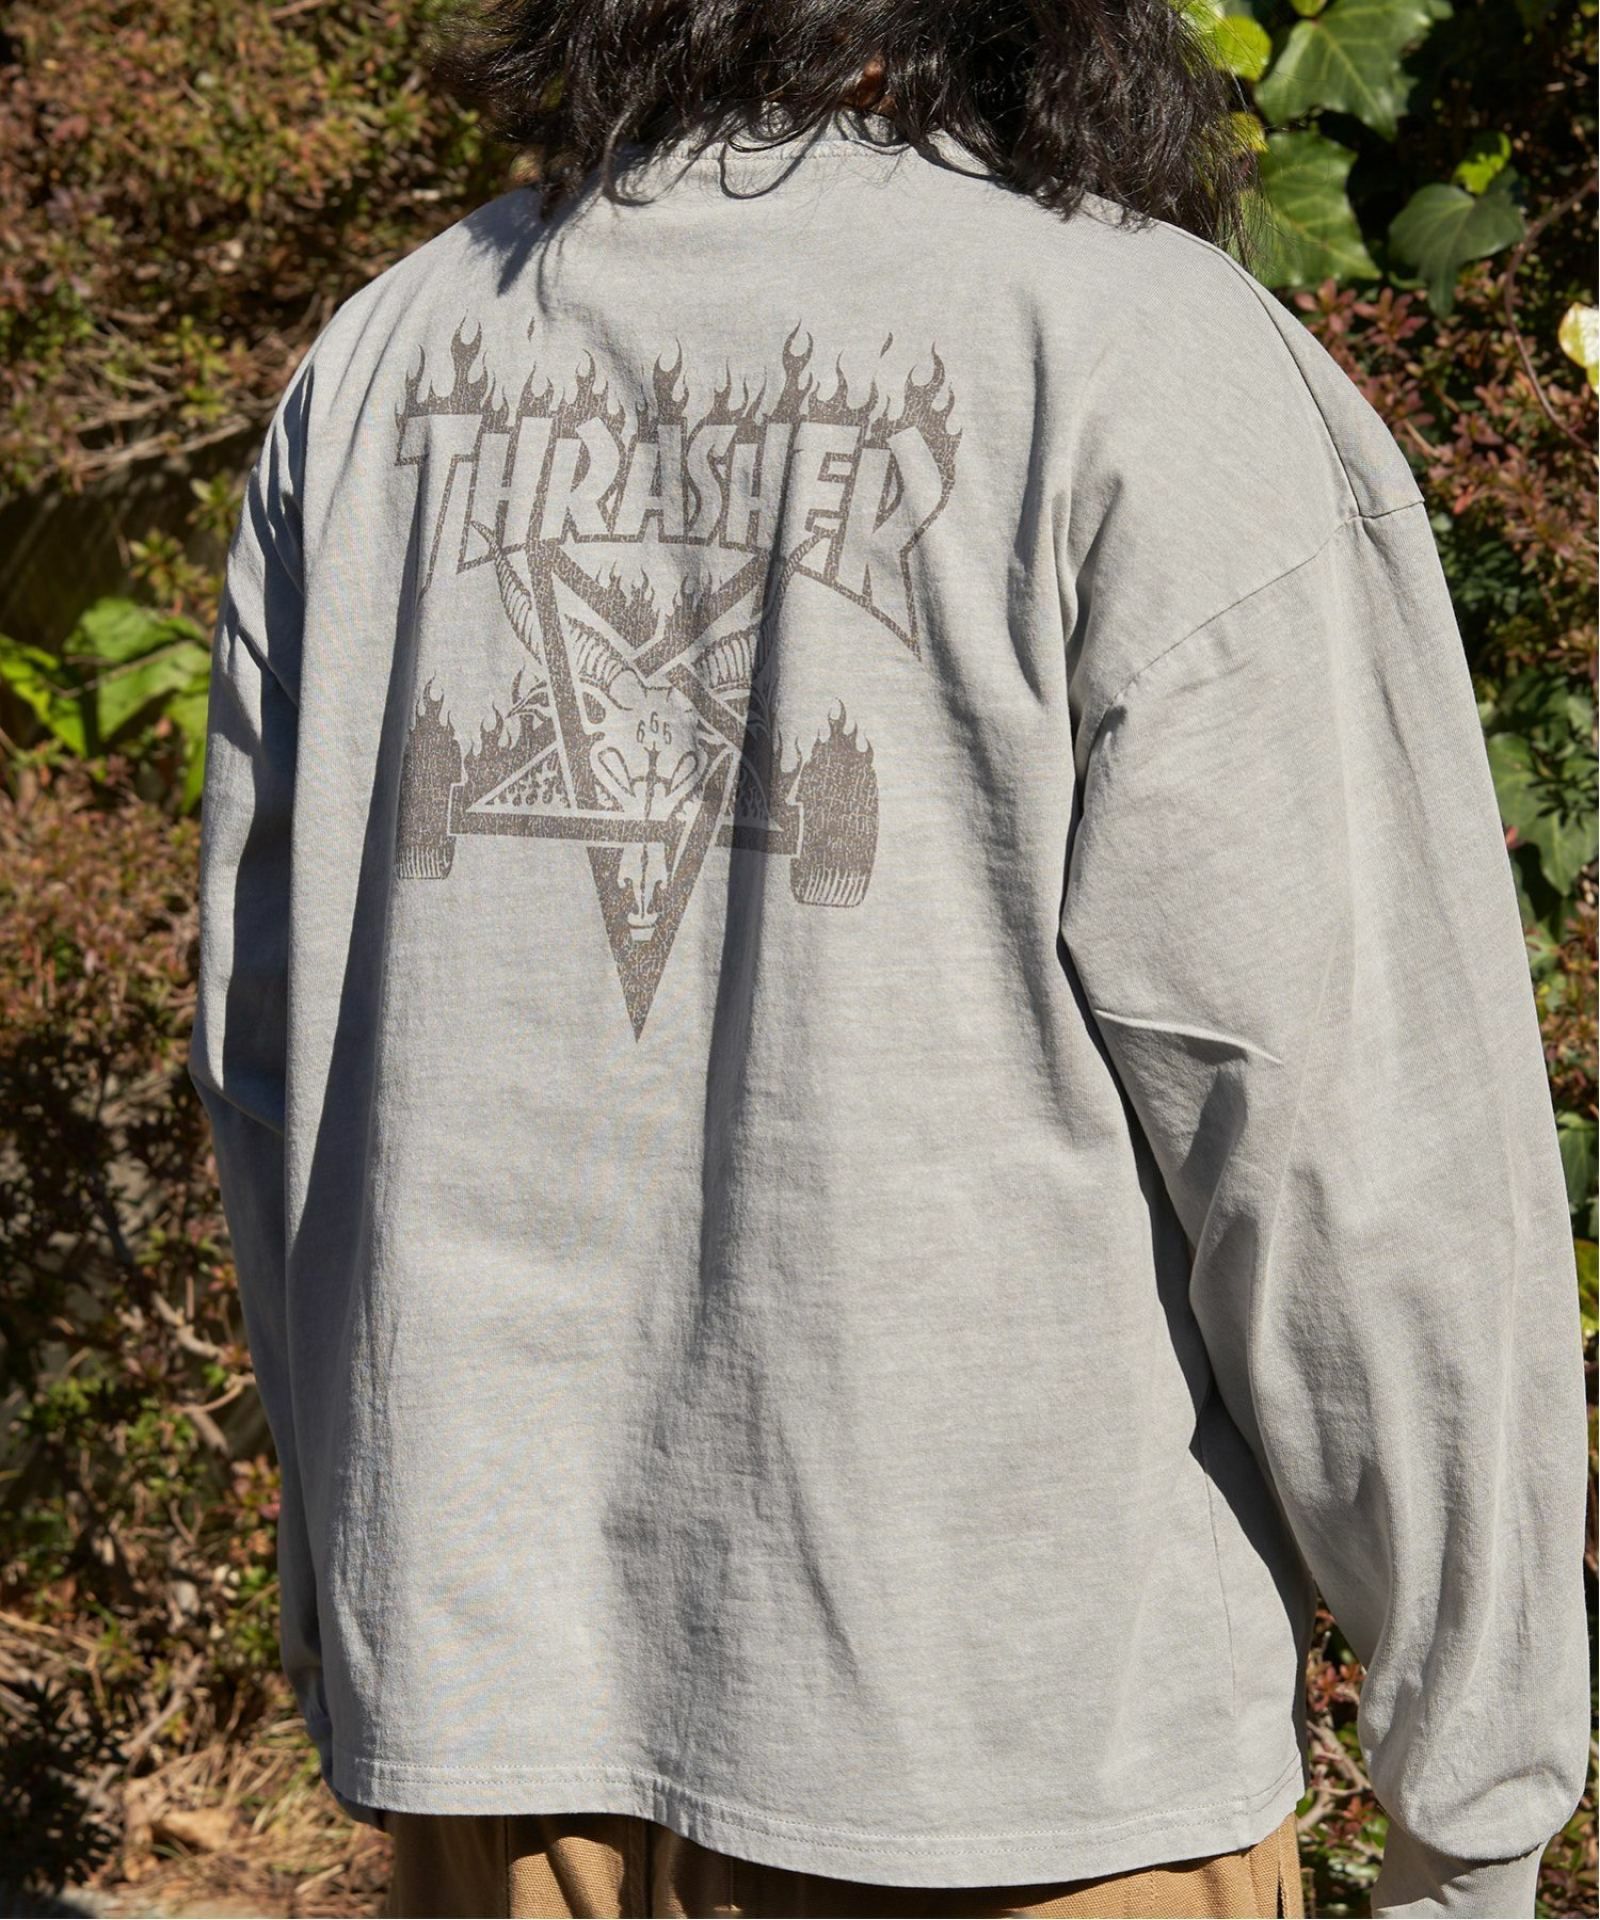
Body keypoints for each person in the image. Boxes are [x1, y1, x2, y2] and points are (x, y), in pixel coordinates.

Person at [188, 3, 1591, 1916]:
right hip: (1014, 1771)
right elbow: (1354, 1140)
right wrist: (1477, 1801)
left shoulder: (386, 365)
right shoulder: (1133, 355)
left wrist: (353, 1601)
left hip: (499, 1747)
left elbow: (273, 1071)